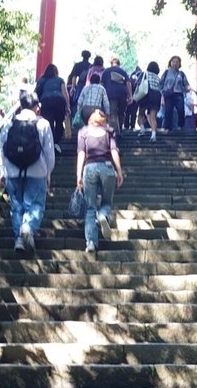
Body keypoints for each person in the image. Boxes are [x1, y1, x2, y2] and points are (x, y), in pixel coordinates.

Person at [0, 93, 55, 253]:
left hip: (12, 170)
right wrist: (48, 172)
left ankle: (18, 241)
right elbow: (49, 152)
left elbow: (1, 147)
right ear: (37, 107)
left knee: (16, 205)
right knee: (35, 204)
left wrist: (0, 171)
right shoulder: (43, 123)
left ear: (21, 106)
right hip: (37, 171)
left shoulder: (9, 123)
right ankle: (28, 227)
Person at [75, 109, 123, 253]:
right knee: (107, 202)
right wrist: (119, 171)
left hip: (89, 168)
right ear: (104, 121)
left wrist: (78, 175)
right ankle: (103, 215)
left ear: (90, 120)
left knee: (90, 207)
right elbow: (114, 151)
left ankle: (91, 242)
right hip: (107, 168)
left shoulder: (83, 132)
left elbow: (81, 153)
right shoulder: (109, 132)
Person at [35, 64, 69, 152]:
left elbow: (35, 93)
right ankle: (56, 142)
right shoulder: (60, 80)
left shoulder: (41, 80)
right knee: (59, 123)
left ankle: (48, 144)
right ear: (56, 72)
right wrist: (68, 106)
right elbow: (65, 93)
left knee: (48, 123)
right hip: (59, 101)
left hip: (45, 101)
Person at [101, 58, 132, 137]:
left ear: (111, 63)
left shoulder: (106, 71)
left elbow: (101, 84)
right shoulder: (123, 71)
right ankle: (120, 129)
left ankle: (116, 132)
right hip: (122, 94)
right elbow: (128, 83)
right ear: (119, 64)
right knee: (121, 113)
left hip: (111, 94)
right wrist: (130, 96)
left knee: (113, 113)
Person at [159, 55, 189, 132]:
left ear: (179, 64)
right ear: (170, 63)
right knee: (168, 110)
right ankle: (168, 127)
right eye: (173, 62)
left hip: (178, 93)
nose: (175, 63)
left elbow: (186, 84)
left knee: (180, 109)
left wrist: (188, 88)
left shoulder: (181, 74)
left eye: (177, 62)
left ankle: (180, 126)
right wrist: (162, 93)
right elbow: (160, 84)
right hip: (168, 94)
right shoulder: (166, 73)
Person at [136, 61, 162, 141]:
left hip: (146, 93)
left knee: (140, 114)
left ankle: (142, 129)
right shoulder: (158, 78)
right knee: (153, 117)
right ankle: (153, 135)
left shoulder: (144, 73)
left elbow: (137, 83)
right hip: (156, 95)